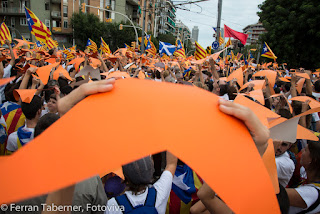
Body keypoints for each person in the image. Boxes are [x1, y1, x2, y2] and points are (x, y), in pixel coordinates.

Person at [286, 140, 320, 214]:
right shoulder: (307, 179)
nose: (301, 150)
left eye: (305, 149)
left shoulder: (312, 193)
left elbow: (278, 194)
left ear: (313, 159)